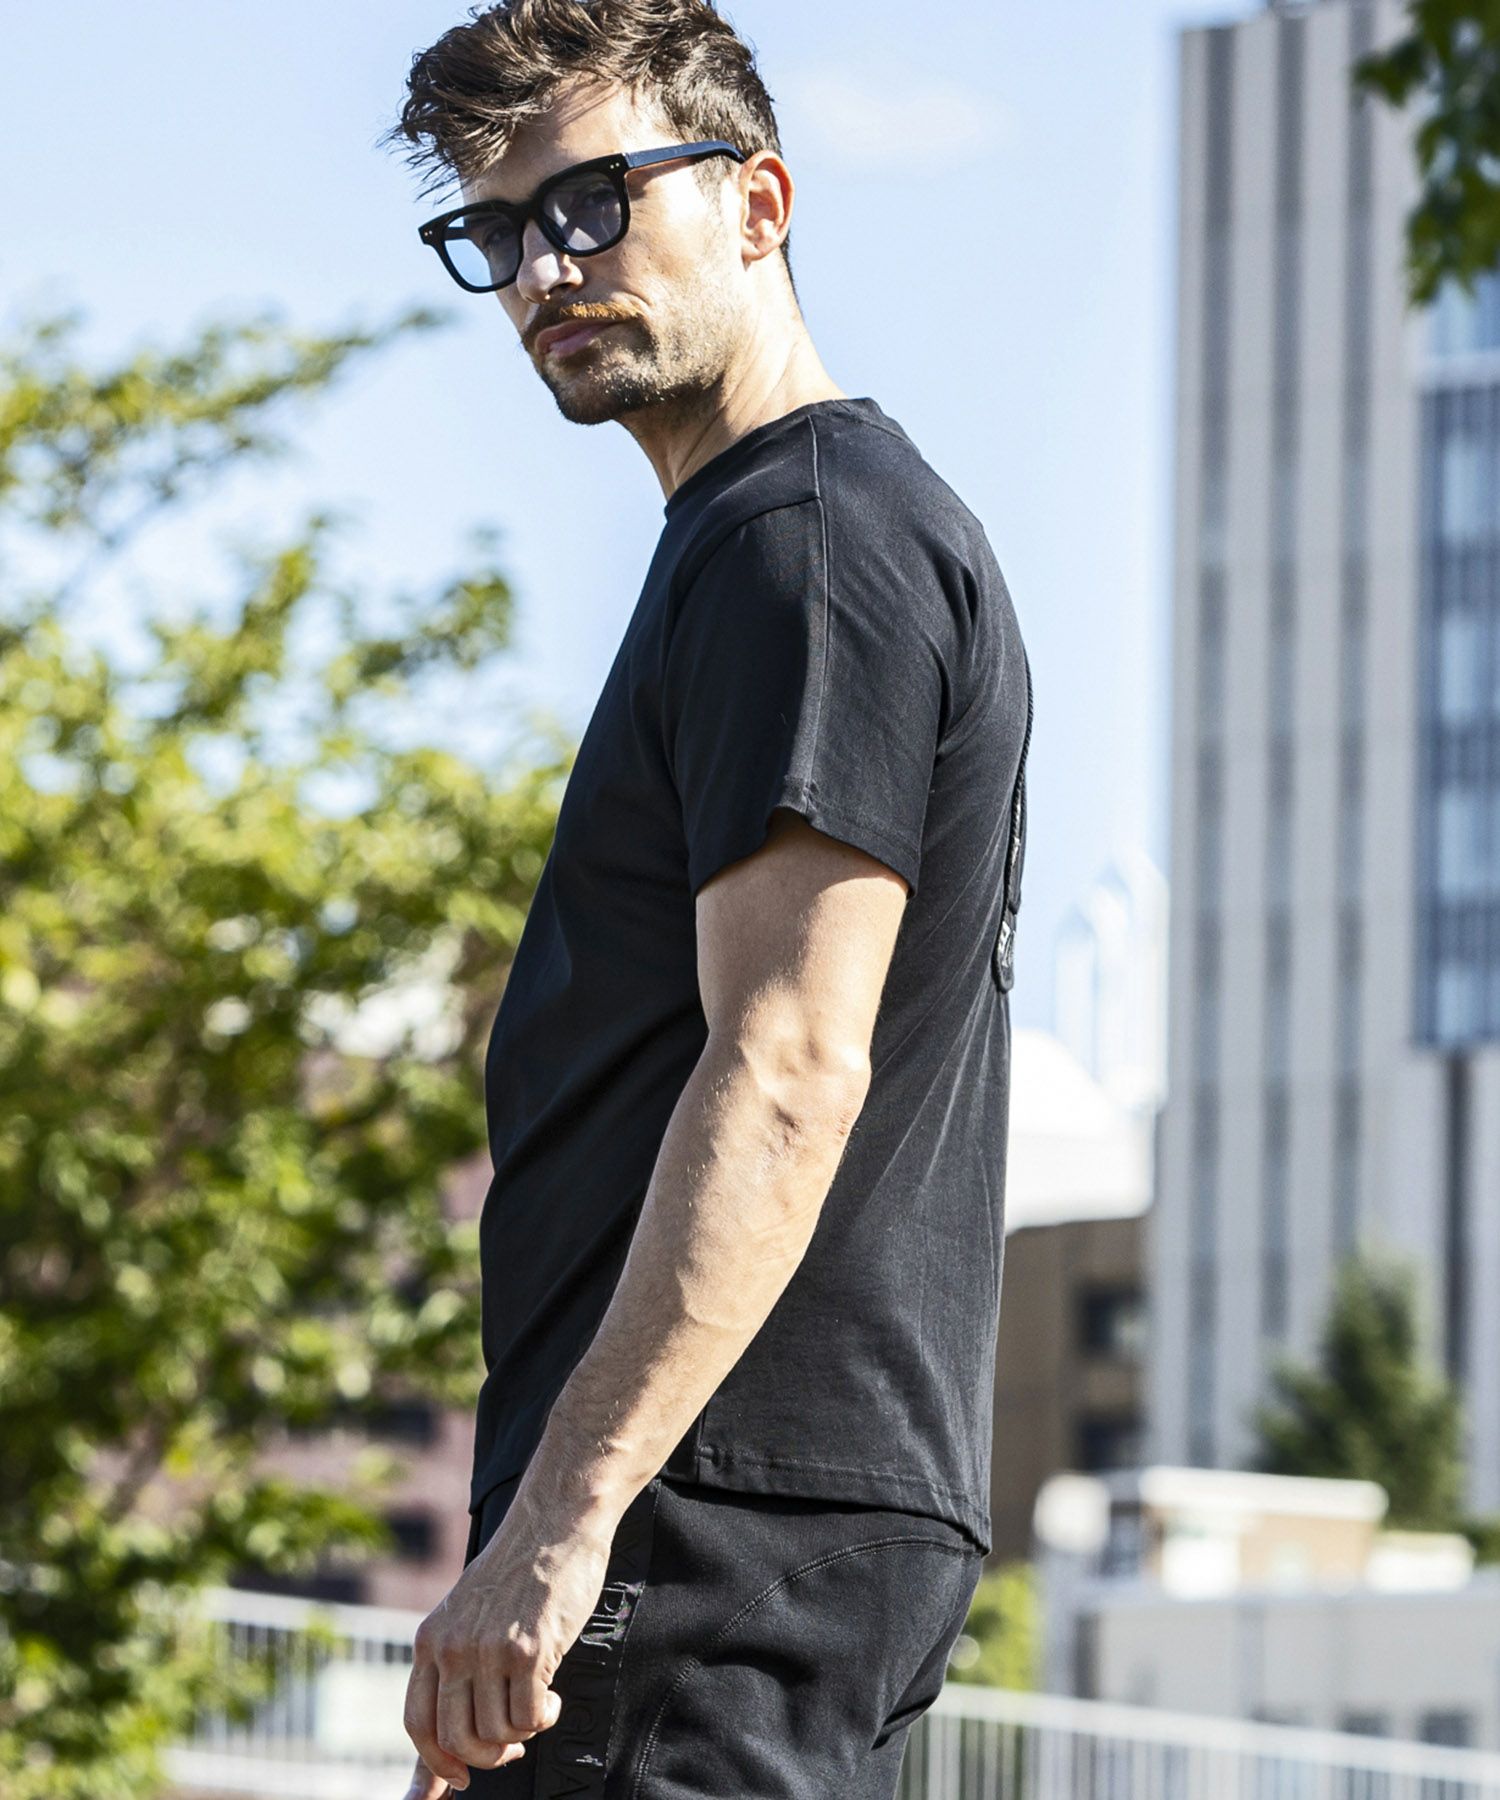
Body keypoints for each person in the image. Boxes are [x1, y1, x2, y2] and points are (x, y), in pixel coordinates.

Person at [384, 2, 1032, 1793]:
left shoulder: (802, 543)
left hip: (709, 1525)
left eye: (593, 203)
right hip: (723, 1519)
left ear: (759, 203)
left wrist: (556, 1535)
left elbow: (789, 1066)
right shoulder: (784, 537)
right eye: (499, 231)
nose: (543, 270)